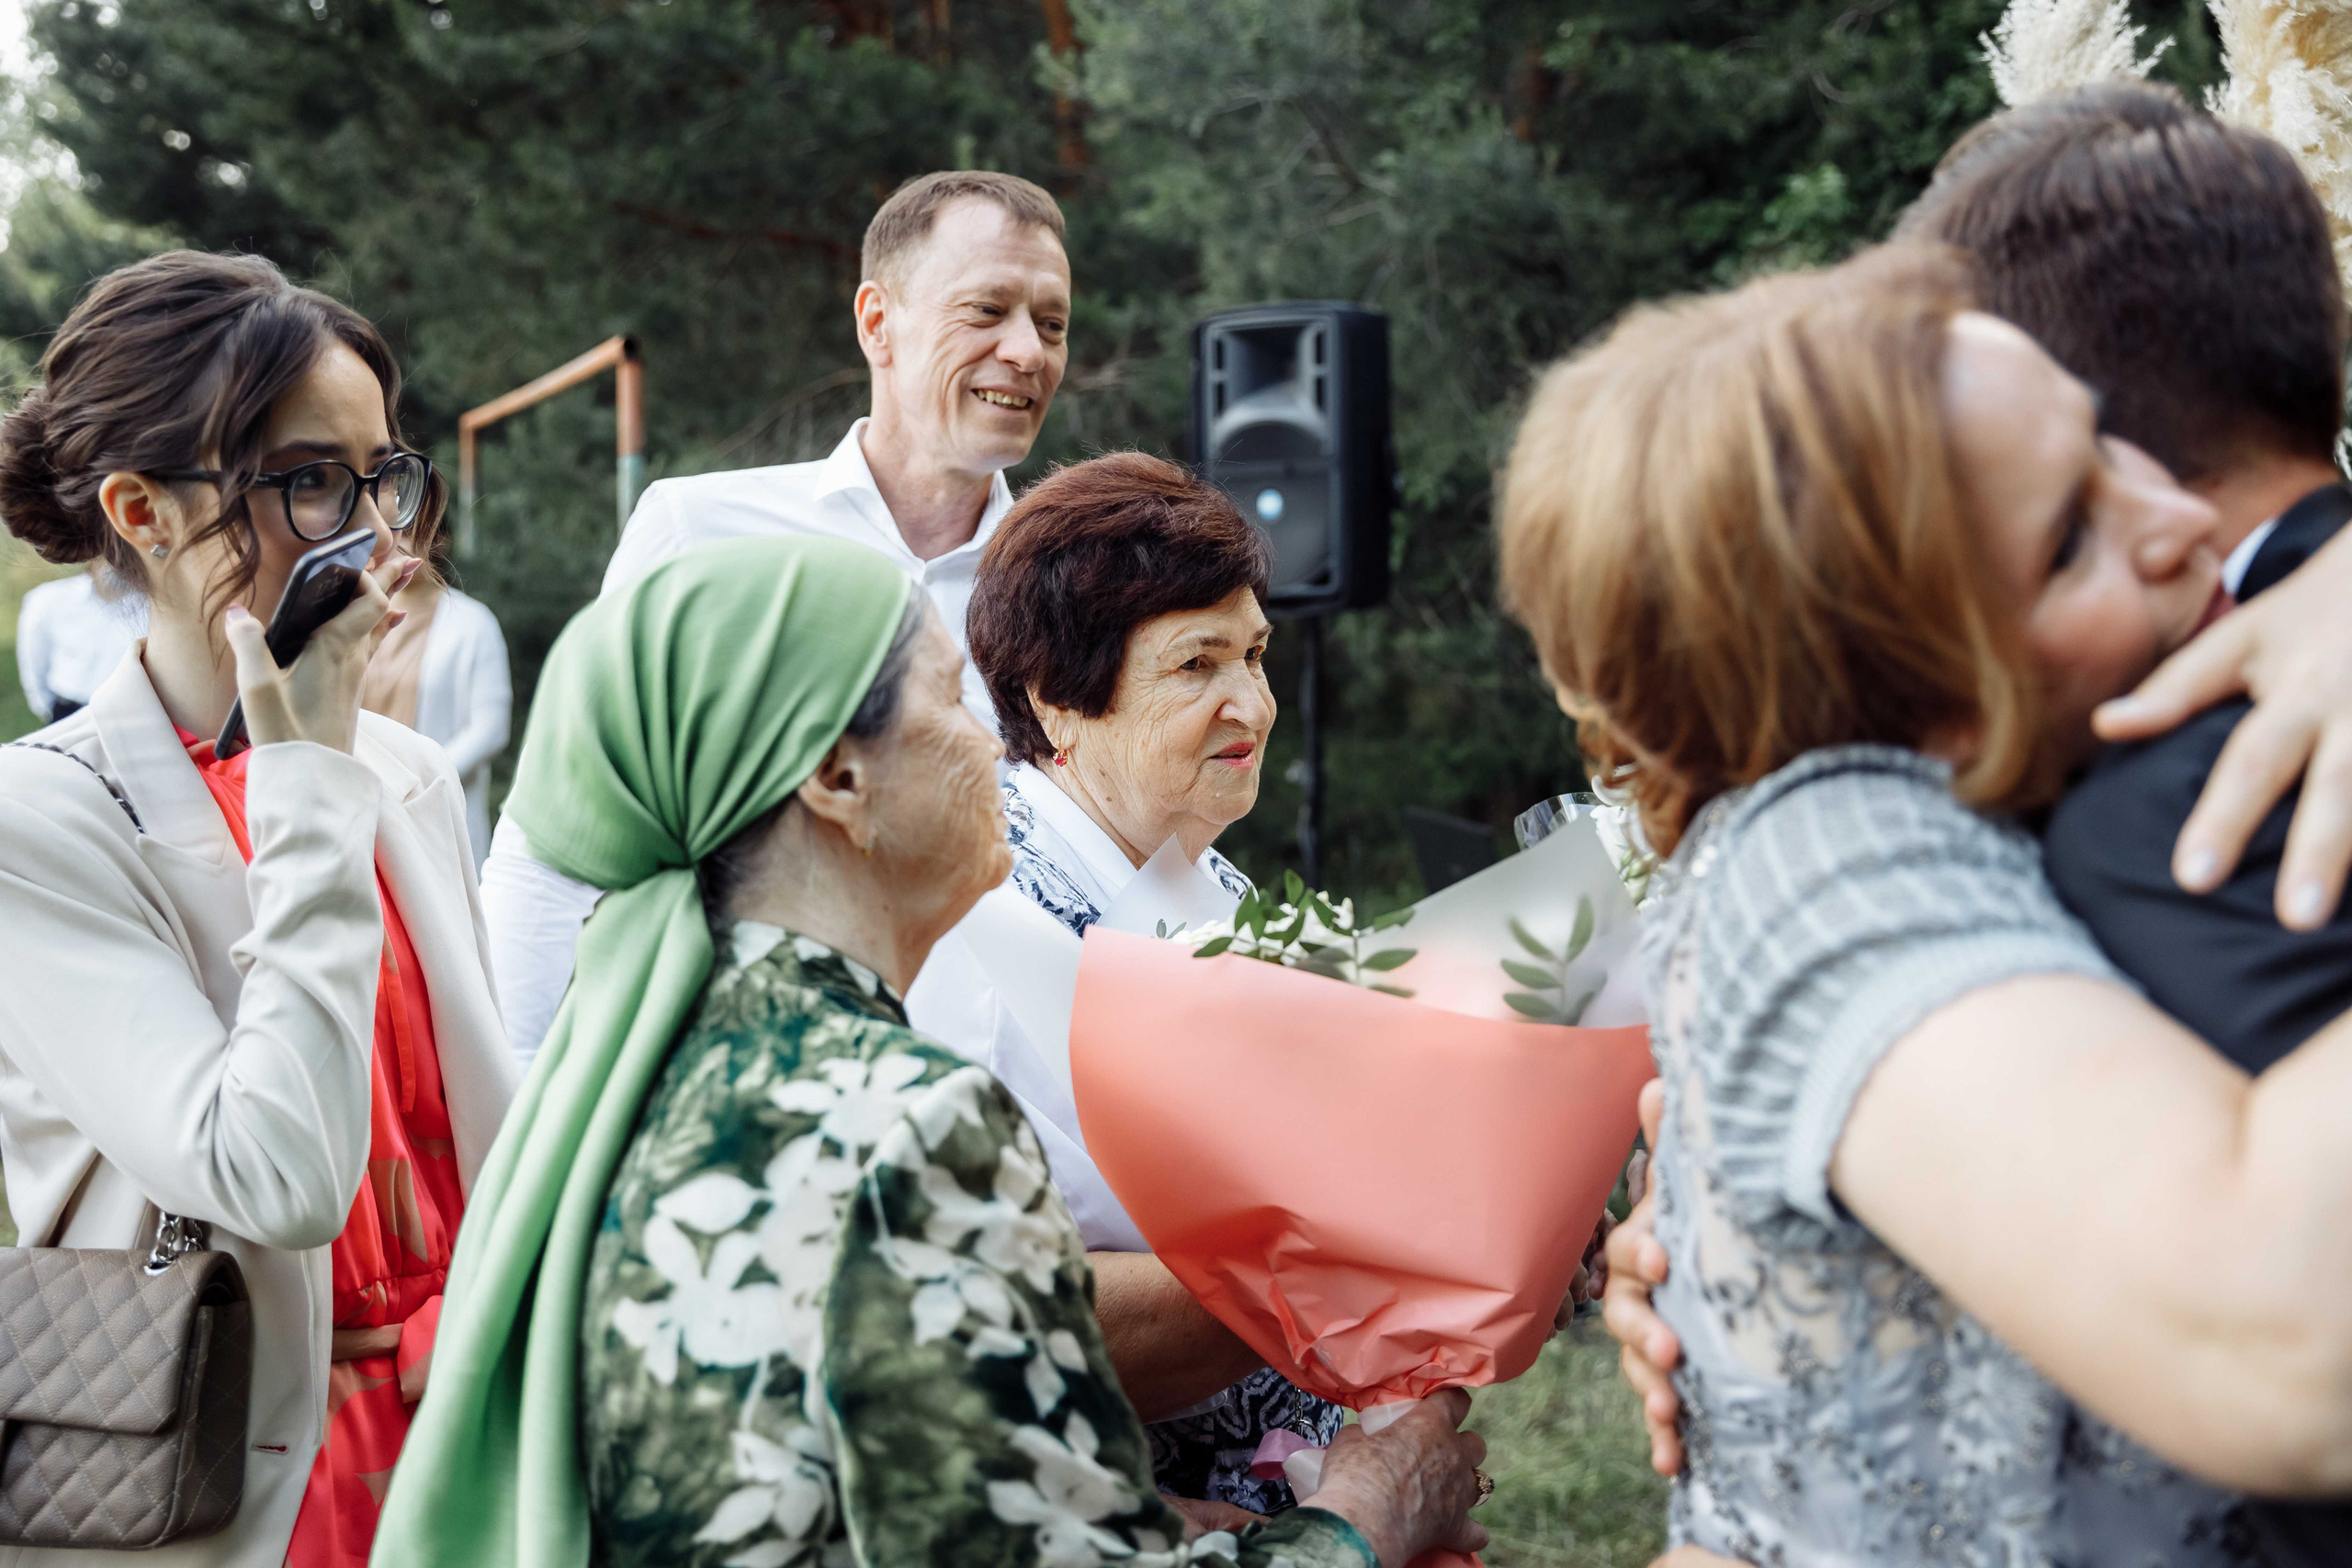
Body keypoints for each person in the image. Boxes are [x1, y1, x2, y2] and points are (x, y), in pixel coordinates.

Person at [371, 536, 1490, 1568]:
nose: (993, 743)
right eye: (951, 697)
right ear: (836, 779)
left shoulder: (671, 1059)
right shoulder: (906, 1120)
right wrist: (1367, 1512)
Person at [1498, 243, 2352, 1563]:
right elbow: (2290, 1339)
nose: (2180, 516)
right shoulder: (1825, 853)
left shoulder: (1951, 810)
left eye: (2109, 442)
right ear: (1905, 704)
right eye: (2070, 539)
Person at [0, 250, 517, 1567]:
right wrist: (303, 771)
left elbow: (482, 1135)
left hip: (470, 1446)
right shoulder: (41, 818)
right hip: (232, 1480)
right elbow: (273, 1172)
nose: (375, 538)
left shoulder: (405, 774)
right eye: (308, 481)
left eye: (382, 474)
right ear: (143, 508)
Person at [481, 167, 1072, 1063]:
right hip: (749, 1118)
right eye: (987, 310)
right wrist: (509, 1123)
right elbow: (555, 849)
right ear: (877, 322)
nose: (1028, 351)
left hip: (1009, 1144)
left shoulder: (1071, 584)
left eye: (1052, 323)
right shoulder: (702, 533)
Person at [905, 450, 1340, 1525]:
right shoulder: (984, 910)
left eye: (1255, 653)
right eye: (1196, 665)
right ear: (1058, 700)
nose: (1251, 702)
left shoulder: (1214, 874)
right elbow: (1001, 1320)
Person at [359, 546, 512, 865]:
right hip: (364, 808)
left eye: (410, 528)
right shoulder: (359, 616)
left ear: (438, 537)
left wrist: (422, 778)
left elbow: (491, 728)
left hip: (435, 809)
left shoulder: (473, 623)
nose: (394, 539)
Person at [14, 558, 146, 723]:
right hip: (69, 711)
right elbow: (34, 665)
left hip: (131, 715)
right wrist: (50, 711)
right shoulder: (49, 599)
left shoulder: (152, 605)